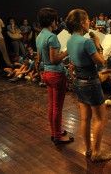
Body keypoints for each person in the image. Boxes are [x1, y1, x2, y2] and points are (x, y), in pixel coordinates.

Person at [66, 9, 111, 162]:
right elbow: (101, 62)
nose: (89, 23)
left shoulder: (70, 40)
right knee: (99, 119)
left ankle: (88, 150)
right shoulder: (86, 41)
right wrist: (98, 44)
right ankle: (97, 153)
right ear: (81, 23)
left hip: (79, 82)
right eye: (87, 21)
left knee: (85, 119)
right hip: (91, 83)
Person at [36, 8, 74, 144]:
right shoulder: (52, 37)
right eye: (56, 20)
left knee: (52, 106)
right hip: (56, 74)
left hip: (47, 73)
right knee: (57, 107)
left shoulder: (40, 36)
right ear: (51, 21)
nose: (57, 22)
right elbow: (54, 59)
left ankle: (55, 131)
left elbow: (40, 58)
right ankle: (57, 136)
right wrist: (68, 50)